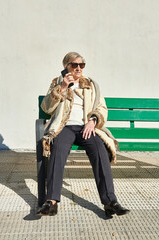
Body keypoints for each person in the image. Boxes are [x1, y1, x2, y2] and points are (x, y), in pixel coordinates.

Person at [37, 52, 130, 217]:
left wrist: (93, 120)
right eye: (74, 65)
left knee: (100, 150)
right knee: (57, 149)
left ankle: (110, 201)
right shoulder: (57, 82)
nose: (78, 68)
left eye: (82, 65)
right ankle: (51, 202)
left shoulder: (91, 84)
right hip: (64, 127)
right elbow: (46, 108)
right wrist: (63, 88)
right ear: (66, 67)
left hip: (86, 127)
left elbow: (101, 107)